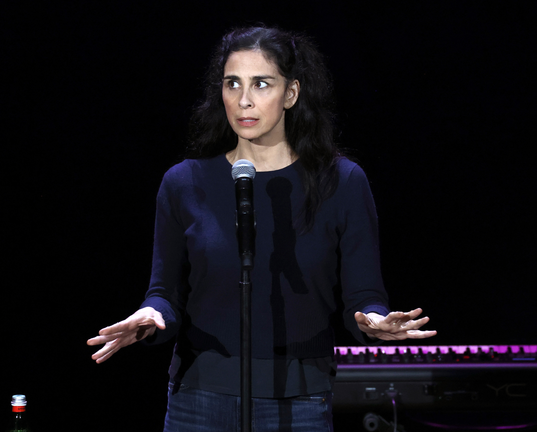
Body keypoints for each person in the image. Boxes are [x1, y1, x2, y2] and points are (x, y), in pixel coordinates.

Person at [87, 25, 437, 431]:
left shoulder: (341, 182)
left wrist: (374, 319)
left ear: (291, 93)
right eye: (232, 84)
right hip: (198, 401)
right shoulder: (184, 182)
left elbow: (364, 294)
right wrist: (150, 315)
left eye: (261, 84)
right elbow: (165, 292)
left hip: (299, 401)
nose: (244, 100)